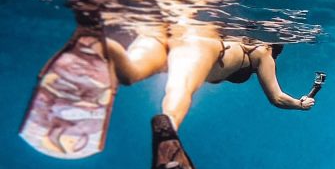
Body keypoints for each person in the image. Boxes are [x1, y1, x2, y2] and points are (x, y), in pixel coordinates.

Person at [105, 19, 315, 129]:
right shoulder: (264, 51)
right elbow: (277, 98)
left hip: (166, 32)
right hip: (200, 46)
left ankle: (103, 43)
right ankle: (169, 131)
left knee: (129, 73)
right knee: (180, 88)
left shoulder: (238, 34)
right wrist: (299, 104)